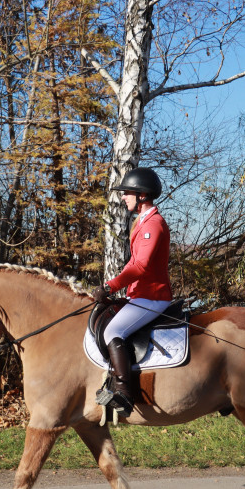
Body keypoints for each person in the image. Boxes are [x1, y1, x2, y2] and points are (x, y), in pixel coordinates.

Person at [91, 166, 173, 417]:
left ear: (142, 196)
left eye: (127, 192)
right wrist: (116, 287)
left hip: (153, 296)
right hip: (140, 295)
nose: (123, 197)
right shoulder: (142, 222)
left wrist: (110, 286)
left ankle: (124, 394)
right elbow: (132, 264)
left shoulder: (154, 224)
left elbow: (142, 265)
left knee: (114, 331)